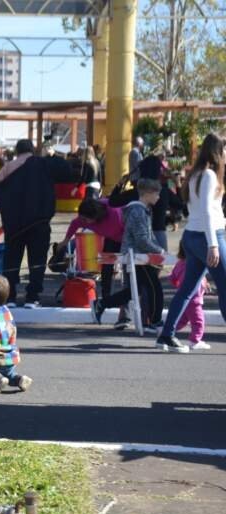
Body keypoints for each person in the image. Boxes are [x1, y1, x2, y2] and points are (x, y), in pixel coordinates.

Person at [157, 134, 226, 353]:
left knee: (187, 289)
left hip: (193, 237)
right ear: (218, 151)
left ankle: (166, 335)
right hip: (208, 237)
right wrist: (213, 244)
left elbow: (195, 209)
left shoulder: (196, 174)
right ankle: (166, 336)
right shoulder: (209, 175)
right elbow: (206, 210)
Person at [0, 139, 55, 308]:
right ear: (32, 150)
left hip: (14, 224)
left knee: (12, 260)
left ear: (17, 151)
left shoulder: (9, 167)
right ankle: (33, 297)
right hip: (39, 222)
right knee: (37, 261)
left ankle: (10, 296)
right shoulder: (44, 164)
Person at [91, 178, 166, 332]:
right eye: (157, 194)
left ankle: (101, 304)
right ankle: (154, 321)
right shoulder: (138, 211)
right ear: (148, 193)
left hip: (137, 255)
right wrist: (160, 251)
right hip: (140, 257)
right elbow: (142, 239)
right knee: (154, 288)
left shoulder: (140, 210)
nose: (158, 197)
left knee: (134, 291)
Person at [169, 245, 210, 350]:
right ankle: (195, 341)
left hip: (184, 299)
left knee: (181, 320)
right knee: (198, 322)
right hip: (194, 300)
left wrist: (178, 285)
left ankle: (166, 331)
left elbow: (172, 278)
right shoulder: (195, 264)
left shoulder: (180, 263)